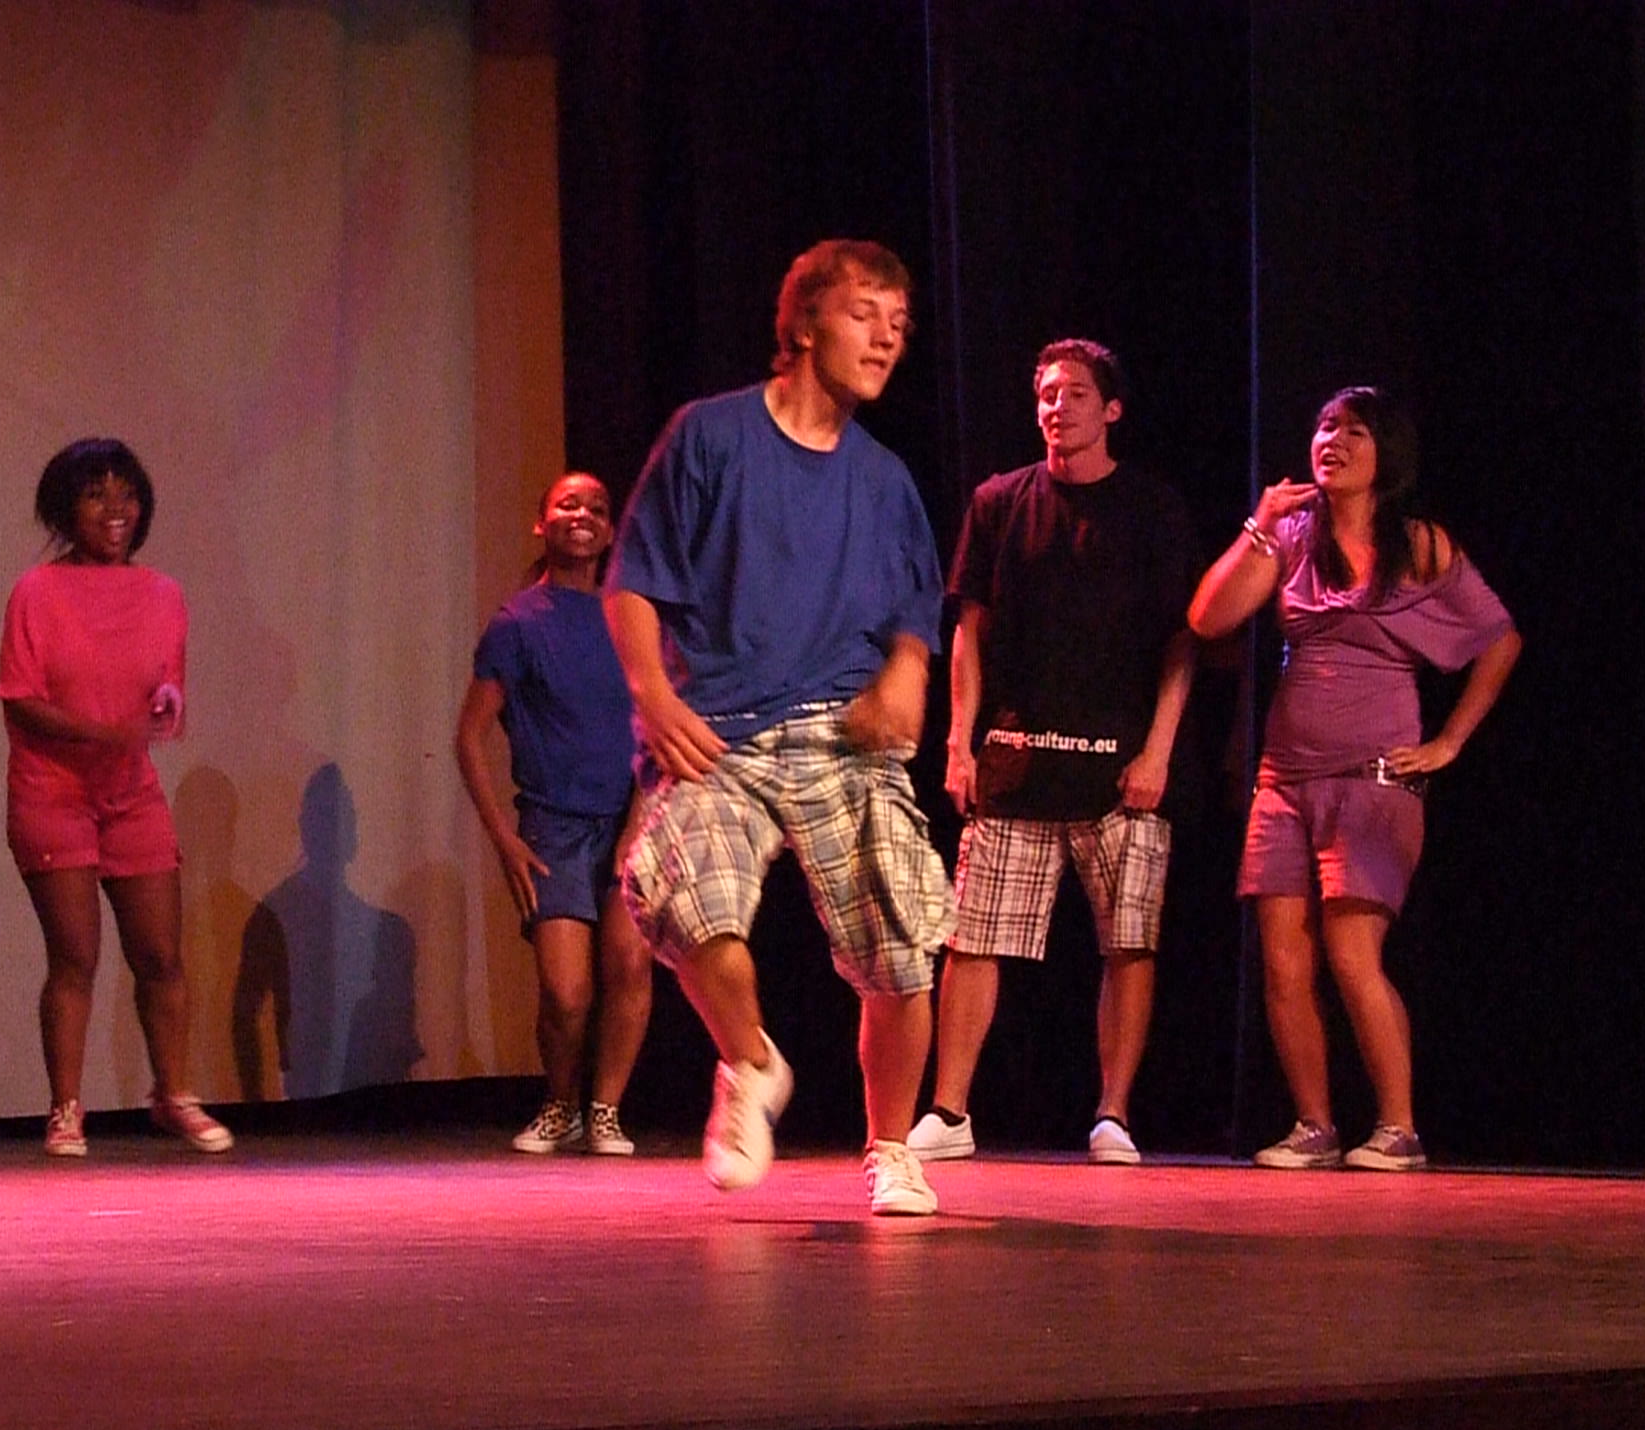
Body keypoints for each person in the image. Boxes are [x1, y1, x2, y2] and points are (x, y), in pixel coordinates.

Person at [604, 238, 955, 1216]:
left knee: (900, 942)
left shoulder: (883, 479)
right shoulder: (710, 436)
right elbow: (633, 581)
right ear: (802, 325)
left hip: (843, 732)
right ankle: (751, 1064)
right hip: (719, 728)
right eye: (864, 314)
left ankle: (892, 1148)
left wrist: (907, 675)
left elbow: (916, 612)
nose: (886, 338)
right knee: (687, 900)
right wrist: (653, 697)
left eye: (899, 324)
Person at [1187, 387, 1520, 1171]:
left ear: (1386, 452)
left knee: (1350, 956)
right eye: (1325, 427)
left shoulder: (1420, 544)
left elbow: (1499, 639)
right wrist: (1257, 526)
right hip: (1284, 781)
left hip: (1373, 782)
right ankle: (1315, 1125)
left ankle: (1399, 1128)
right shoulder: (1291, 537)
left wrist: (1449, 742)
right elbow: (1208, 619)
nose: (1332, 440)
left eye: (1354, 431)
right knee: (1283, 965)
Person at [907, 339, 1197, 1166]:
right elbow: (969, 632)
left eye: (1075, 394)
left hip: (1121, 771)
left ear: (1112, 409)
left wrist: (1159, 752)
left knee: (1128, 941)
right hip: (1016, 759)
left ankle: (1113, 1115)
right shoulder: (1000, 501)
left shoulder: (1152, 508)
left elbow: (1182, 641)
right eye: (1046, 393)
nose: (1057, 407)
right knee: (973, 937)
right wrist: (959, 742)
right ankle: (950, 1111)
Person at [0, 438, 232, 1158]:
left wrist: (167, 700)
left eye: (127, 494)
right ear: (66, 508)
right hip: (53, 792)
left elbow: (166, 688)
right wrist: (105, 732)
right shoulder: (37, 591)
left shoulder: (163, 593)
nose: (115, 509)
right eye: (96, 494)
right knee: (75, 957)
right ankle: (66, 1109)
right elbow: (21, 700)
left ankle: (173, 1094)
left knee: (161, 954)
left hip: (130, 791)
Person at [455, 471, 652, 1155]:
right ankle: (562, 1101)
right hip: (553, 827)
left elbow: (655, 728)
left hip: (630, 818)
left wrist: (638, 823)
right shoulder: (518, 623)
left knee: (629, 964)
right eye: (568, 503)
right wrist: (505, 839)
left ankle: (606, 1110)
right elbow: (469, 737)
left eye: (597, 507)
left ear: (610, 530)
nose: (583, 514)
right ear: (542, 523)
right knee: (567, 994)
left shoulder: (629, 618)